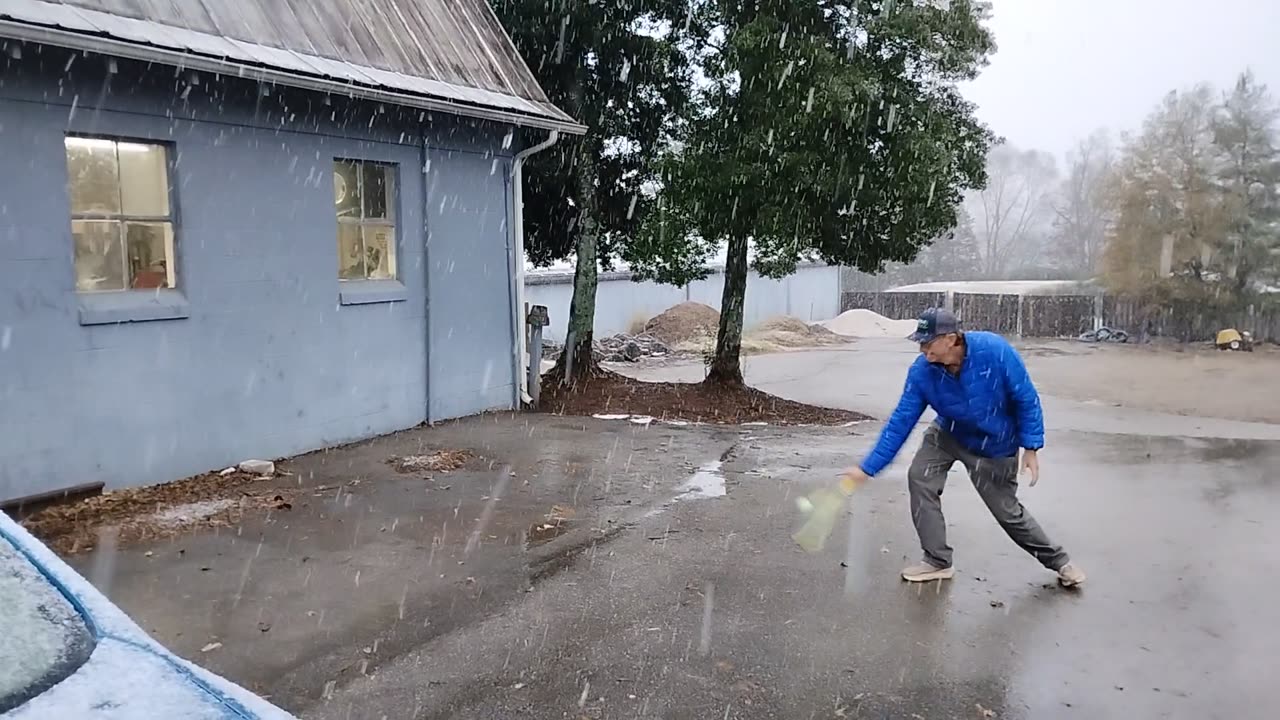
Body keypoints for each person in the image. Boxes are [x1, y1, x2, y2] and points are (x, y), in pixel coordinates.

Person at [839, 307, 1086, 587]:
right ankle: (937, 561)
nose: (922, 349)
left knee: (1008, 514)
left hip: (995, 446)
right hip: (948, 434)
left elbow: (1025, 398)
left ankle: (1060, 562)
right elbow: (901, 421)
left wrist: (1031, 447)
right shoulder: (922, 372)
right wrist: (868, 468)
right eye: (919, 342)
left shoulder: (994, 351)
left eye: (928, 342)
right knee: (920, 477)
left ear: (951, 339)